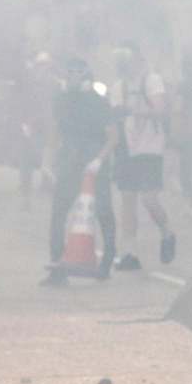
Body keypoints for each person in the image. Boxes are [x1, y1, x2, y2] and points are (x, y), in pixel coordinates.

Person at [45, 56, 116, 282]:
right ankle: (57, 266)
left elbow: (113, 137)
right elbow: (55, 132)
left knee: (104, 211)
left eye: (78, 71)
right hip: (69, 159)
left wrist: (99, 160)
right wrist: (47, 161)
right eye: (69, 71)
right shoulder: (62, 100)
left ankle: (106, 261)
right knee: (59, 211)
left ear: (86, 75)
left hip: (95, 161)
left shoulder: (99, 101)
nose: (73, 75)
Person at [109, 42, 176, 271]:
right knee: (127, 199)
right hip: (127, 147)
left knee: (148, 198)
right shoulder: (118, 86)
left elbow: (160, 108)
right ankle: (130, 252)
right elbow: (116, 115)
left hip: (149, 146)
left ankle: (167, 232)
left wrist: (135, 112)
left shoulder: (151, 79)